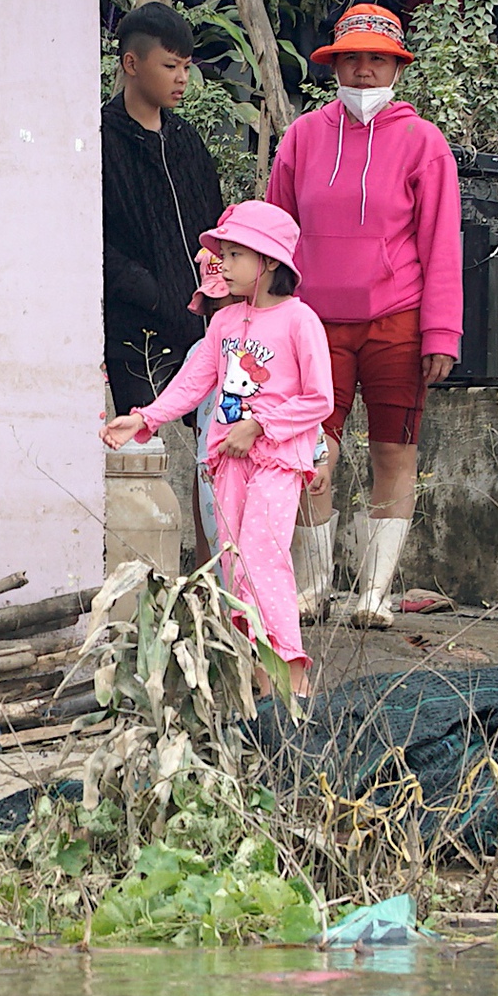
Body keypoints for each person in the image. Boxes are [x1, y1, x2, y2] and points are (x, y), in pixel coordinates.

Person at [265, 3, 461, 626]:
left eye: (377, 58)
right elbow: (275, 229)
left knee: (392, 453)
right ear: (335, 64)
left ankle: (375, 594)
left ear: (397, 65)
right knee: (309, 450)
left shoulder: (423, 142)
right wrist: (262, 311)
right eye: (353, 58)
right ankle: (314, 585)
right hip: (312, 322)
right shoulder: (302, 136)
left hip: (396, 319)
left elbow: (441, 244)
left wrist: (442, 331)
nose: (364, 70)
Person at [103, 202, 332, 691]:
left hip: (275, 462)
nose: (220, 264)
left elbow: (319, 399)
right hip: (228, 464)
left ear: (269, 261)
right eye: (221, 254)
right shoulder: (224, 326)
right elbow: (193, 381)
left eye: (232, 254)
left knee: (261, 557)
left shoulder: (300, 321)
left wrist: (261, 426)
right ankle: (256, 679)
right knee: (232, 563)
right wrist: (144, 418)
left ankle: (292, 680)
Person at [104, 1, 226, 566]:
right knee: (142, 453)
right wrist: (152, 294)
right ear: (132, 63)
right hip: (136, 328)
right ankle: (148, 583)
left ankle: (209, 583)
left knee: (216, 455)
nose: (181, 79)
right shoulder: (100, 139)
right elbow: (94, 242)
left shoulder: (188, 143)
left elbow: (217, 225)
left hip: (206, 325)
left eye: (186, 67)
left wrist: (220, 293)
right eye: (169, 66)